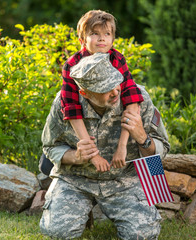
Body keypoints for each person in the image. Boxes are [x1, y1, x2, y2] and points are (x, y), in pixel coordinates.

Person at [40, 52, 170, 239]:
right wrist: (75, 156)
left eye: (115, 83)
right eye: (105, 89)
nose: (115, 91)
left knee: (143, 235)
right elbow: (50, 147)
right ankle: (81, 214)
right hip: (76, 179)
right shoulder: (64, 102)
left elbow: (163, 148)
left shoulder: (138, 98)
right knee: (57, 232)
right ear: (84, 93)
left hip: (124, 179)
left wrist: (143, 137)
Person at [61, 10, 144, 169]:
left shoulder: (117, 59)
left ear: (113, 39)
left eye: (107, 33)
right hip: (87, 128)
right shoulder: (72, 66)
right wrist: (93, 155)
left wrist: (122, 147)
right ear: (82, 40)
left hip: (118, 128)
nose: (101, 38)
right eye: (94, 33)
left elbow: (131, 100)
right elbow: (71, 109)